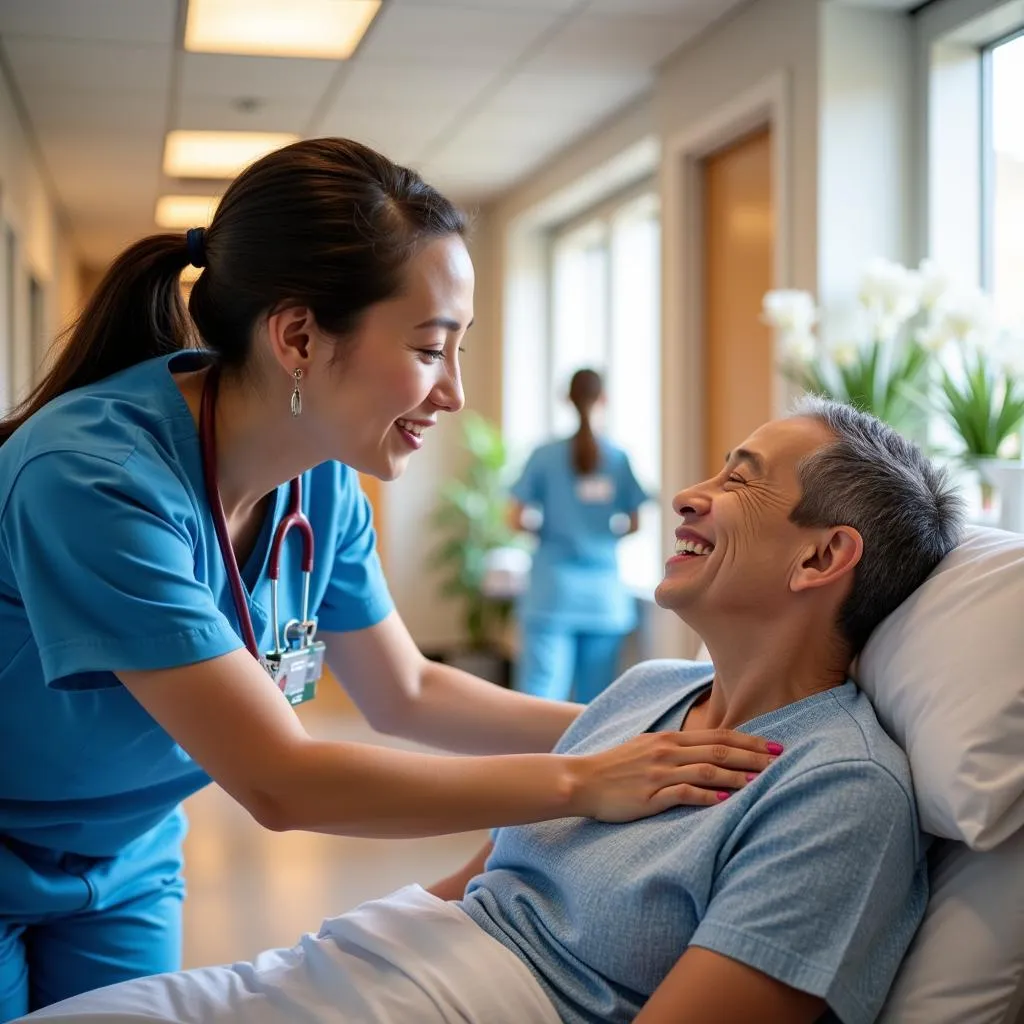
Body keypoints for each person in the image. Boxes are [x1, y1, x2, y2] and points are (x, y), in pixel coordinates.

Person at [0, 139, 777, 1021]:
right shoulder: (93, 477)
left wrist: (659, 730)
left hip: (125, 853)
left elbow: (406, 691)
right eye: (428, 348)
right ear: (298, 336)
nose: (451, 394)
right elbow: (280, 780)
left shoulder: (320, 481)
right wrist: (581, 780)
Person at [18, 399, 966, 1024]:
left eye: (742, 479)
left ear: (819, 560)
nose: (691, 494)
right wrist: (303, 970)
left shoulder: (838, 789)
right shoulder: (644, 696)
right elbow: (474, 883)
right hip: (354, 970)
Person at [509, 368, 647, 703]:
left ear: (566, 399)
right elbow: (634, 523)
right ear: (604, 399)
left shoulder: (544, 456)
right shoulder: (618, 458)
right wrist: (599, 536)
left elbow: (515, 518)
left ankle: (533, 758)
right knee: (595, 705)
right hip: (603, 597)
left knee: (540, 696)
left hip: (552, 592)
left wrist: (548, 532)